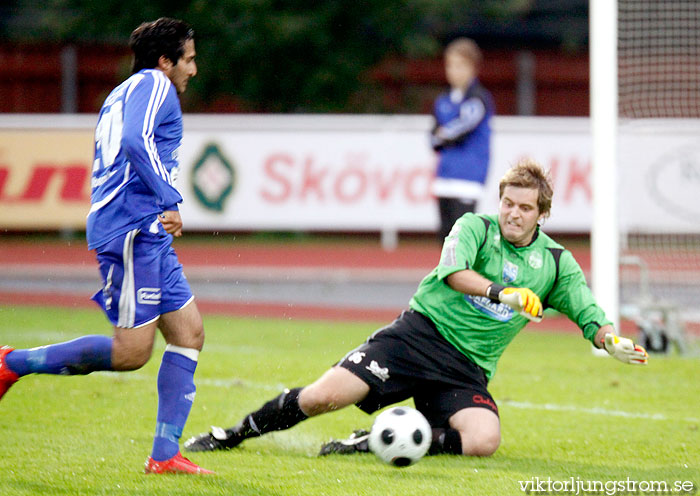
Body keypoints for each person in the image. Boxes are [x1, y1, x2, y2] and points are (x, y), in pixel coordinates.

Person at [183, 159, 648, 458]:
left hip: (467, 368)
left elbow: (588, 311)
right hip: (416, 337)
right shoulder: (474, 228)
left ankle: (372, 443)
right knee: (323, 397)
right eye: (507, 202)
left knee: (484, 440)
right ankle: (236, 433)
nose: (513, 213)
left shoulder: (554, 263)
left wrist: (610, 339)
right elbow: (453, 273)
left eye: (525, 208)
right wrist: (501, 293)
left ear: (541, 215)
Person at [0, 18, 212, 475]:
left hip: (143, 230)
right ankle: (10, 363)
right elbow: (135, 142)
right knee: (131, 353)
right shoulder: (155, 84)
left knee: (189, 332)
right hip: (134, 229)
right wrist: (169, 197)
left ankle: (165, 455)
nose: (193, 70)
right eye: (189, 59)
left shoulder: (122, 92)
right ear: (164, 60)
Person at [431, 37, 494, 242]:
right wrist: (442, 136)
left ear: (472, 68)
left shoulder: (479, 98)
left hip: (468, 177)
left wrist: (444, 135)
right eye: (450, 65)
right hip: (444, 176)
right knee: (445, 240)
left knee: (463, 241)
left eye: (460, 66)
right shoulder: (443, 100)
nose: (454, 71)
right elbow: (433, 138)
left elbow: (460, 130)